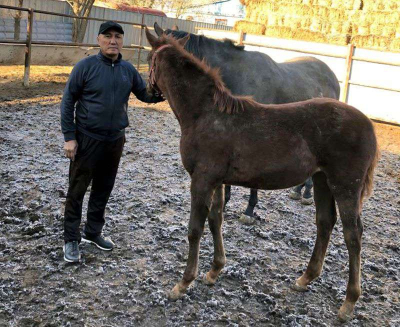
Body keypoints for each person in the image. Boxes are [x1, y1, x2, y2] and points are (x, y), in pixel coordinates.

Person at [60, 21, 164, 263]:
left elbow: (145, 95)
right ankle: (71, 239)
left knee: (103, 189)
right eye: (108, 36)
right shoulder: (85, 67)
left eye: (118, 36)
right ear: (99, 40)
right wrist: (69, 137)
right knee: (77, 190)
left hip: (115, 140)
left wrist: (165, 90)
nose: (113, 40)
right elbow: (68, 102)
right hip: (87, 139)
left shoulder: (128, 70)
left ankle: (93, 232)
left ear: (122, 41)